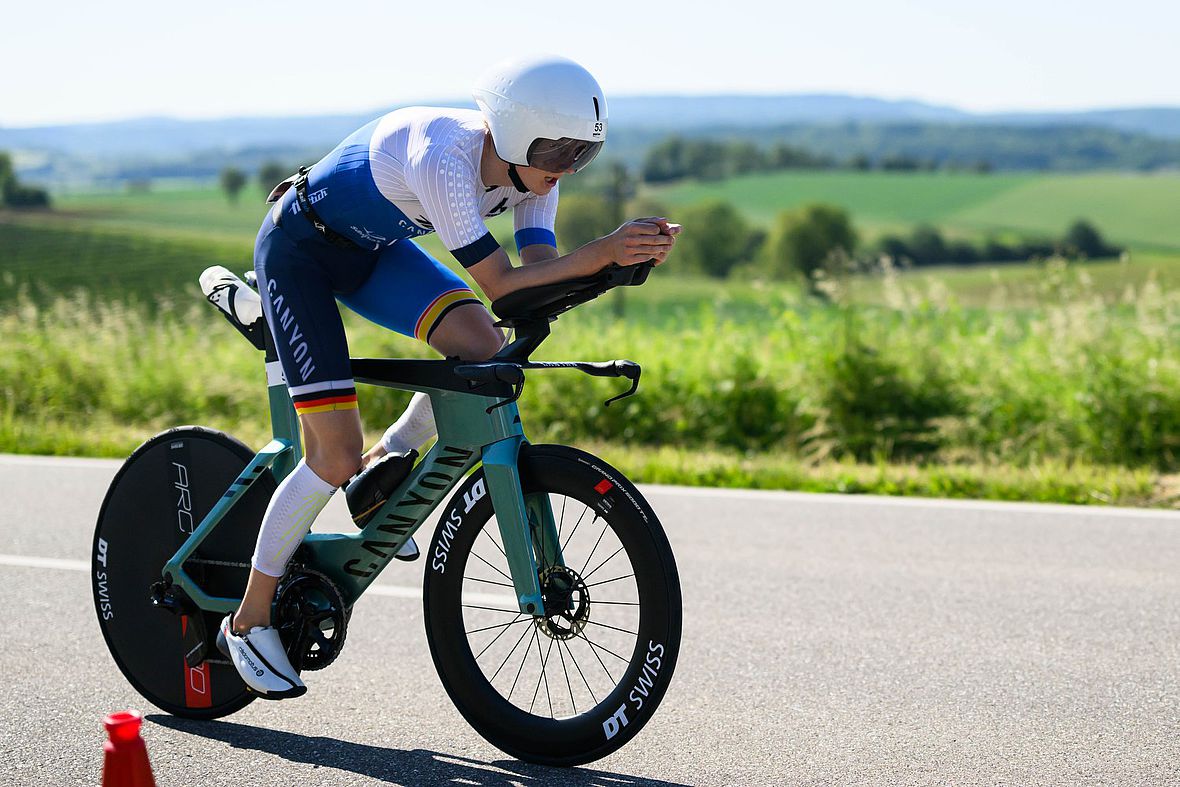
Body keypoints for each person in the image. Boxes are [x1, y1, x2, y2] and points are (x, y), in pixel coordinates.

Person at [215, 54, 681, 698]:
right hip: (301, 252)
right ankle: (248, 618)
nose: (561, 172)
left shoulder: (535, 170)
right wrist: (601, 251)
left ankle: (390, 461)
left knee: (483, 352)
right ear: (517, 132)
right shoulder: (447, 158)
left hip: (372, 254)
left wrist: (617, 264)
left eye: (581, 155)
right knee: (332, 454)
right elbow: (502, 284)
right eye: (556, 152)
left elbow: (536, 278)